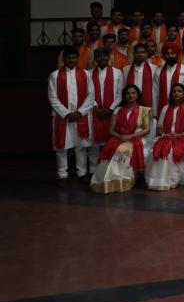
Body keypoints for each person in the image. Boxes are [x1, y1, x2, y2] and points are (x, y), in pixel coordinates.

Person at [90, 84, 151, 193]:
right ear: (124, 96)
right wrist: (120, 136)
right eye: (128, 93)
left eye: (133, 93)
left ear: (138, 95)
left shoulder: (144, 110)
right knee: (110, 149)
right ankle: (106, 180)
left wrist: (131, 136)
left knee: (122, 150)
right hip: (120, 137)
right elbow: (111, 130)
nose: (130, 95)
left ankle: (122, 180)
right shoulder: (118, 110)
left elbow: (147, 130)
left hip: (137, 138)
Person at [48, 47, 96, 185]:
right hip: (62, 117)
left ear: (77, 59)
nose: (71, 60)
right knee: (61, 146)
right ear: (64, 59)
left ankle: (82, 173)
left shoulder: (85, 74)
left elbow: (91, 96)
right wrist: (66, 113)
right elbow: (52, 97)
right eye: (68, 57)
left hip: (81, 115)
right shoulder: (55, 75)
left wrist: (79, 112)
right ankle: (62, 174)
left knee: (81, 145)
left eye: (74, 57)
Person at [148, 83, 184, 190]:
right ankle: (157, 180)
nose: (176, 93)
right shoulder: (165, 108)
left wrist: (180, 134)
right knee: (157, 149)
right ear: (171, 94)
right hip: (167, 136)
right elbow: (159, 126)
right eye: (174, 91)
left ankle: (171, 180)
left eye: (179, 91)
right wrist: (165, 134)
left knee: (170, 150)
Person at [85, 47, 123, 177]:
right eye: (99, 56)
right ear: (95, 58)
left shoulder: (117, 73)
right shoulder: (88, 73)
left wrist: (110, 108)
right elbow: (87, 93)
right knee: (94, 143)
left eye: (104, 56)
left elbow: (120, 94)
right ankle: (93, 170)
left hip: (111, 112)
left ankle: (110, 169)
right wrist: (95, 107)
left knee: (111, 142)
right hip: (94, 111)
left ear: (109, 57)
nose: (102, 58)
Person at [155, 43, 184, 116]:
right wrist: (155, 113)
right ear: (164, 55)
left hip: (183, 107)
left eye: (172, 53)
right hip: (163, 108)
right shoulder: (158, 71)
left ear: (177, 54)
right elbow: (155, 93)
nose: (170, 56)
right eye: (167, 53)